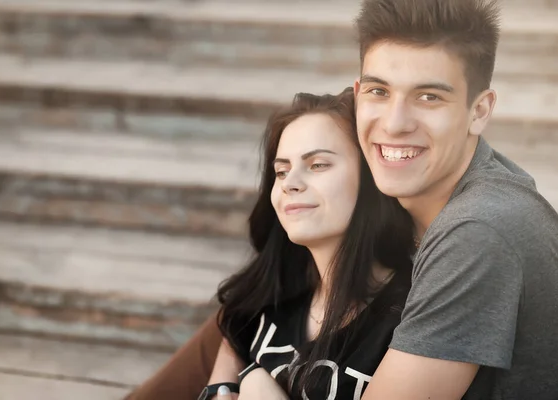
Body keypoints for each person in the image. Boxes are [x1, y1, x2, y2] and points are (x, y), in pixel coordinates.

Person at [129, 0, 558, 398]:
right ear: (358, 94)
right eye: (379, 91)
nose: (395, 123)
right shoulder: (418, 179)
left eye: (429, 97)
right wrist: (225, 385)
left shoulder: (479, 231)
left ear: (479, 111)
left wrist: (255, 385)